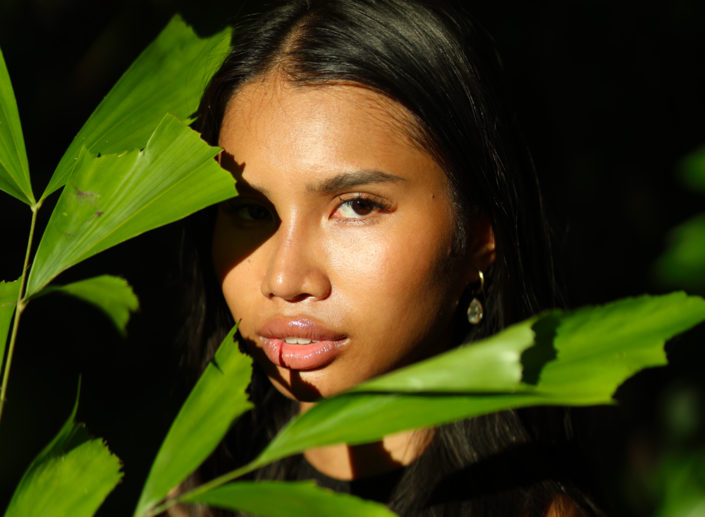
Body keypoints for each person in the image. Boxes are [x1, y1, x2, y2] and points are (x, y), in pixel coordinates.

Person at [179, 0, 602, 515]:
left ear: (480, 236)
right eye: (250, 211)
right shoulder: (195, 494)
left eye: (357, 206)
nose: (285, 278)